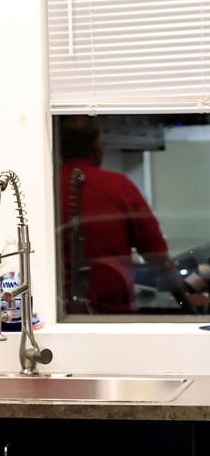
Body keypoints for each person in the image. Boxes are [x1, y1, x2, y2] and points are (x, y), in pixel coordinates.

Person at [59, 115, 191, 314]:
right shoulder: (118, 186)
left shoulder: (47, 189)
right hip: (112, 314)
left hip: (57, 313)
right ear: (96, 148)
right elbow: (156, 255)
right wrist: (185, 304)